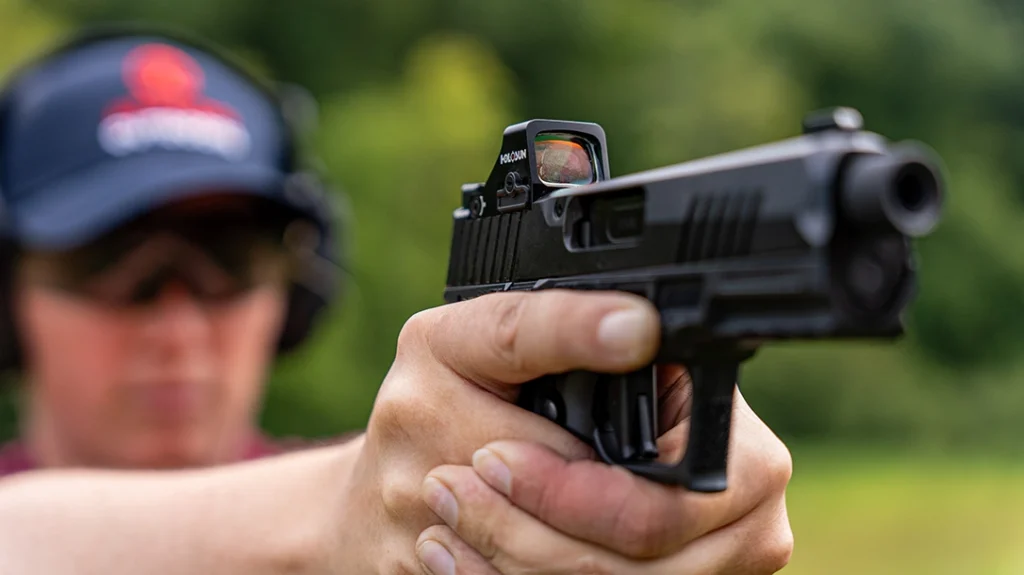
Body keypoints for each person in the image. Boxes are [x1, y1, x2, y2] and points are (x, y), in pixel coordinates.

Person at [0, 25, 795, 574]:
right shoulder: (374, 504)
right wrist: (335, 512)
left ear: (295, 293)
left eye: (230, 262)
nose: (178, 325)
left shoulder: (405, 510)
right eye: (108, 264)